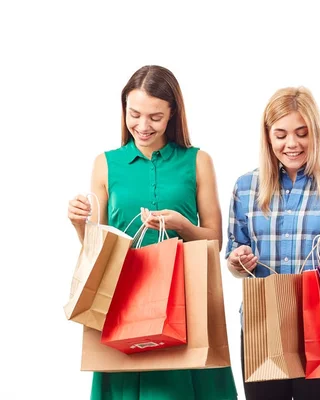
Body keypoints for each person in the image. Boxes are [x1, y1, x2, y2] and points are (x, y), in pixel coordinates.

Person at [67, 65, 237, 400]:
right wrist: (79, 223)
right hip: (123, 298)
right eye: (135, 114)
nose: (143, 126)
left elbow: (214, 241)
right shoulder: (106, 163)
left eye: (155, 117)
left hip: (185, 302)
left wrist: (182, 226)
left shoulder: (197, 160)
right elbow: (96, 247)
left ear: (173, 114)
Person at [225, 87, 320, 400]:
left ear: (315, 133)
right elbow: (235, 263)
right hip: (263, 322)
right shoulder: (245, 188)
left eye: (302, 133)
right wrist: (237, 261)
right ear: (268, 136)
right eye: (281, 134)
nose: (292, 144)